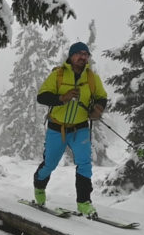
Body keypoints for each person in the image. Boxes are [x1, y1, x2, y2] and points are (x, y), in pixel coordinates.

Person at [33, 41, 107, 216]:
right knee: (50, 164)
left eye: (86, 54)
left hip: (80, 128)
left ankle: (84, 203)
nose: (83, 57)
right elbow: (42, 97)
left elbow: (101, 97)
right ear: (71, 56)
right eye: (79, 53)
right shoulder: (58, 75)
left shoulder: (91, 78)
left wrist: (98, 109)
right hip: (56, 128)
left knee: (84, 164)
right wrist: (61, 98)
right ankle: (38, 186)